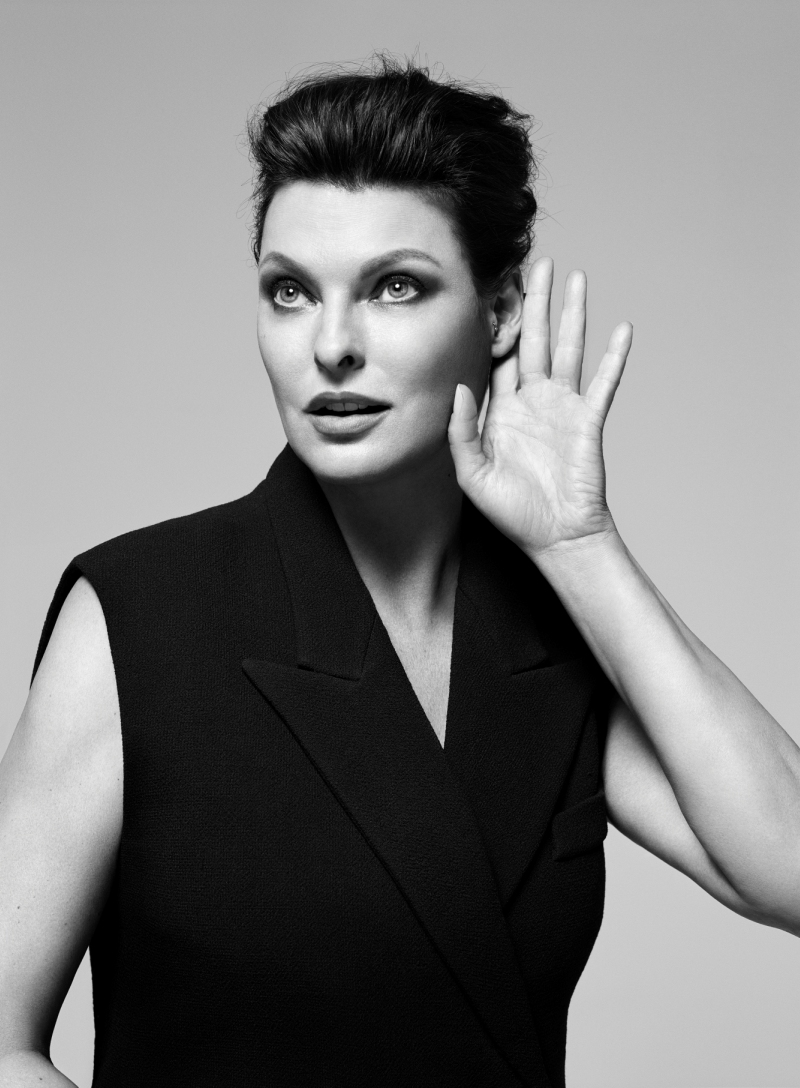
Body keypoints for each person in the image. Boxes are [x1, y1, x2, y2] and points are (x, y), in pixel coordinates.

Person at [1, 56, 798, 1088]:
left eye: (394, 287)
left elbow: (786, 867)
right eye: (290, 291)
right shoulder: (141, 615)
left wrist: (580, 546)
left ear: (499, 312)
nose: (331, 345)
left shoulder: (551, 633)